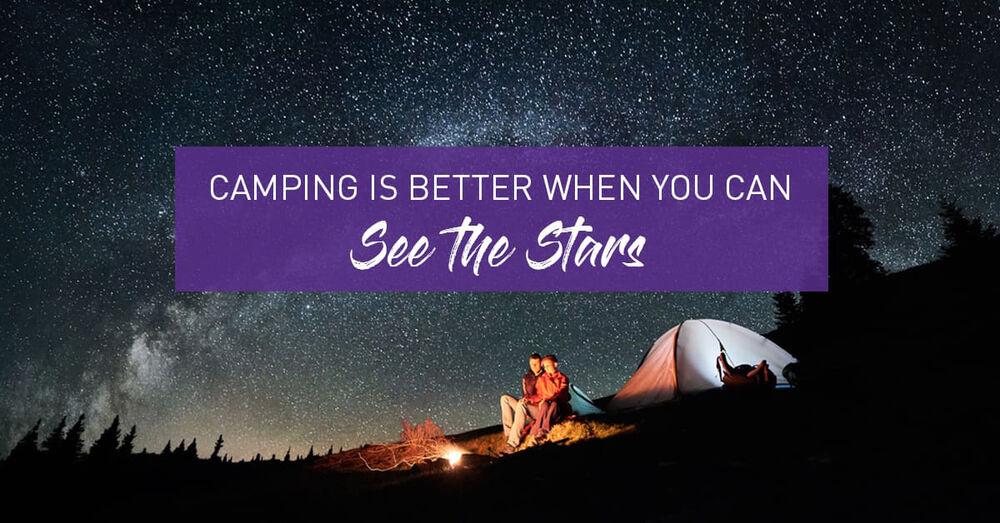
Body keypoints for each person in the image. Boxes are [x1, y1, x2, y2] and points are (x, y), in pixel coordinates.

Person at [499, 353, 543, 454]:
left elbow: (544, 396)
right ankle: (509, 435)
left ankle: (512, 444)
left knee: (521, 404)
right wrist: (524, 399)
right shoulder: (526, 377)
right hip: (526, 407)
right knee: (504, 398)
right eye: (532, 364)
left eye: (536, 363)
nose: (534, 366)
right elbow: (525, 394)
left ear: (541, 364)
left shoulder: (544, 376)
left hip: (538, 410)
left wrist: (529, 400)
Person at [524, 354, 571, 447]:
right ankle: (535, 433)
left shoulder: (562, 378)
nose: (547, 368)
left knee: (553, 403)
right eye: (545, 366)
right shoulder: (543, 379)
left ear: (555, 365)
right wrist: (530, 400)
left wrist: (551, 398)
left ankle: (543, 432)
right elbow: (539, 395)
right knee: (545, 404)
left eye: (548, 365)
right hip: (548, 403)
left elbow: (562, 392)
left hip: (559, 406)